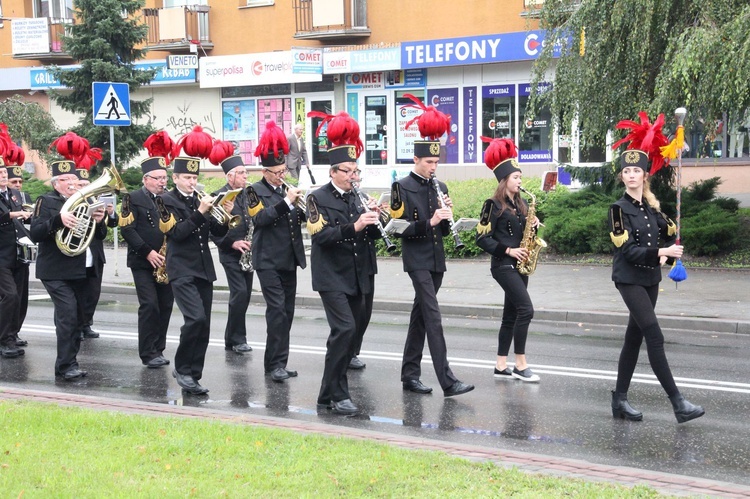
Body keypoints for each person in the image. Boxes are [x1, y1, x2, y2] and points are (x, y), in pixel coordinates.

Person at [609, 113, 705, 423]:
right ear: (622, 177)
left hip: (650, 279)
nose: (632, 175)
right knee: (654, 334)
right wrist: (661, 251)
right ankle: (678, 403)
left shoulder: (652, 208)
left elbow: (667, 234)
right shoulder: (617, 210)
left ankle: (619, 401)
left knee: (633, 339)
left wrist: (672, 250)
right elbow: (627, 249)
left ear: (645, 176)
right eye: (628, 171)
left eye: (637, 170)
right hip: (629, 279)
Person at [390, 94, 474, 398]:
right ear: (416, 160)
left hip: (437, 259)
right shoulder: (402, 186)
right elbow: (399, 230)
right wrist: (432, 221)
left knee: (420, 317)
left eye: (436, 162)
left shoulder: (441, 186)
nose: (433, 168)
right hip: (416, 259)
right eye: (428, 162)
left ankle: (409, 374)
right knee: (433, 316)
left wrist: (450, 218)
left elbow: (445, 230)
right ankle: (448, 381)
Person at [306, 111, 381, 415]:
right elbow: (321, 237)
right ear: (333, 172)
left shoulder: (356, 197)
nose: (354, 176)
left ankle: (326, 395)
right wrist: (357, 225)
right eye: (348, 171)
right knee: (345, 330)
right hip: (331, 277)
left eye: (356, 171)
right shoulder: (316, 198)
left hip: (357, 275)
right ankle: (339, 395)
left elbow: (370, 236)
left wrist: (378, 219)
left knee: (349, 334)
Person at [158, 126, 231, 395]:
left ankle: (193, 374)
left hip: (203, 268)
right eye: (186, 177)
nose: (191, 182)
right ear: (175, 177)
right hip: (180, 269)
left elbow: (217, 234)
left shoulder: (201, 200)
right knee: (195, 319)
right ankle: (184, 369)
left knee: (204, 324)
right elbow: (176, 233)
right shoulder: (165, 201)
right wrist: (201, 212)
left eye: (194, 177)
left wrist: (223, 216)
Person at [30, 132, 107, 379]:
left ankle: (69, 362)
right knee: (68, 316)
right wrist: (59, 220)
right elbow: (36, 232)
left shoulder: (85, 201)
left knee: (77, 318)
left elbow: (99, 235)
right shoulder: (47, 200)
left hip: (80, 269)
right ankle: (66, 366)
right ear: (55, 184)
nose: (71, 183)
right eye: (65, 180)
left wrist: (99, 219)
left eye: (73, 178)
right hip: (55, 270)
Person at [475, 137, 540, 383]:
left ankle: (501, 365)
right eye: (516, 178)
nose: (520, 182)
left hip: (521, 265)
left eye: (521, 178)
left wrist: (533, 226)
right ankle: (520, 364)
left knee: (510, 315)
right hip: (503, 265)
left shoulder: (521, 204)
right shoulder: (491, 205)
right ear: (505, 181)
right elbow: (481, 239)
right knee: (526, 310)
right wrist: (508, 251)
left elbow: (525, 237)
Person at [247, 121, 306, 382]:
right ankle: (272, 365)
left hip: (288, 258)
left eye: (283, 170)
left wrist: (304, 209)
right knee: (277, 311)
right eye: (276, 172)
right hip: (267, 260)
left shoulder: (285, 190)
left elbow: (295, 221)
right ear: (264, 171)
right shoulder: (253, 191)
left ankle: (280, 361)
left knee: (288, 312)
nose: (281, 175)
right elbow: (260, 220)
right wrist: (287, 202)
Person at [119, 131, 175, 368]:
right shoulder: (131, 198)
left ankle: (158, 349)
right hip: (143, 261)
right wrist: (148, 252)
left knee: (165, 305)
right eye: (158, 178)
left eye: (165, 177)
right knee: (149, 305)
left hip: (167, 261)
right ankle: (147, 352)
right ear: (146, 179)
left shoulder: (169, 198)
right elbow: (127, 230)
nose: (163, 181)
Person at [209, 141, 254, 354]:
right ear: (230, 176)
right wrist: (232, 243)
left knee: (244, 295)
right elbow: (212, 230)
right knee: (240, 293)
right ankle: (237, 339)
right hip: (229, 252)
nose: (246, 176)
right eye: (242, 173)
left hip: (247, 253)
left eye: (246, 172)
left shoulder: (246, 193)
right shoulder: (221, 196)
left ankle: (232, 338)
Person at [74, 166, 117, 341]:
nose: (84, 186)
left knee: (93, 292)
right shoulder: (71, 201)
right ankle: (75, 326)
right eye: (80, 184)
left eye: (86, 183)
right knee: (77, 292)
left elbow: (108, 227)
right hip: (77, 252)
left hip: (95, 252)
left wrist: (111, 214)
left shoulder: (95, 200)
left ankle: (86, 323)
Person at [0, 161, 32, 358]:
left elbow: (24, 217)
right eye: (0, 173)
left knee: (19, 297)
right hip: (0, 256)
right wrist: (14, 214)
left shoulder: (13, 194)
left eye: (4, 172)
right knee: (9, 295)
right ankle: (3, 339)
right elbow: (5, 216)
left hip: (17, 254)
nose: (3, 175)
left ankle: (12, 335)